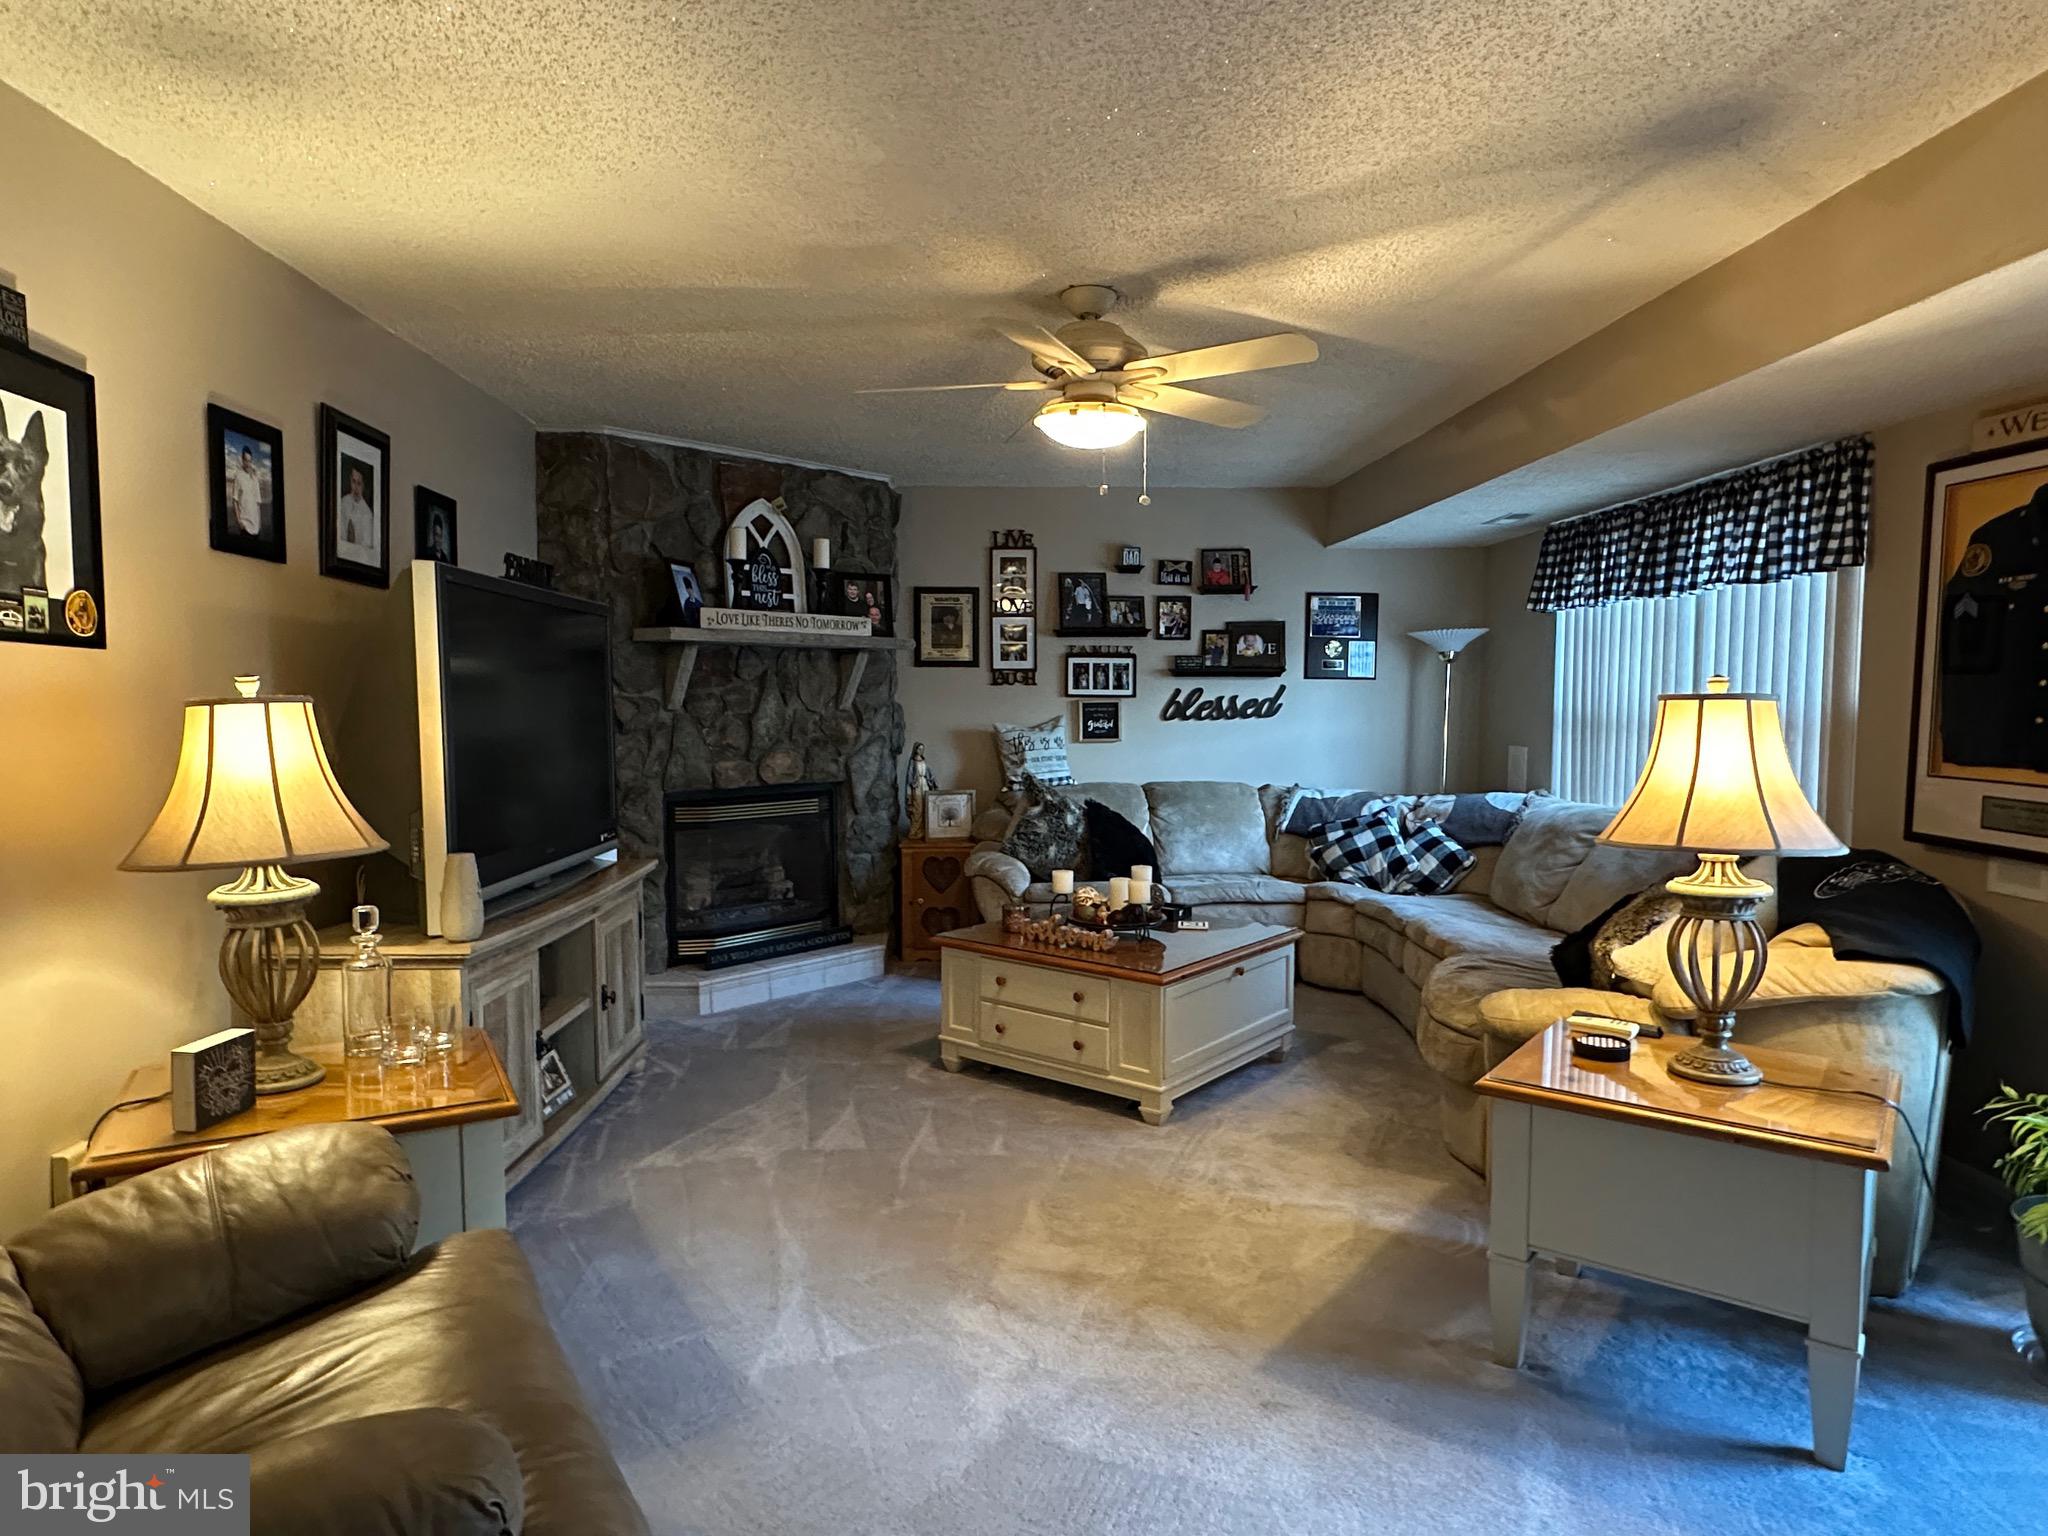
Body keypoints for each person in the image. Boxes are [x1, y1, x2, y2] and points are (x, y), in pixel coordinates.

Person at [337, 464, 376, 563]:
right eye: (353, 482)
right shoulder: (343, 502)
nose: (355, 487)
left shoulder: (367, 514)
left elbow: (367, 547)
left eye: (359, 483)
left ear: (363, 486)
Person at [228, 446, 263, 537]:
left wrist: (259, 524)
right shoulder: (238, 476)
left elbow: (258, 503)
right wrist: (239, 521)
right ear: (242, 460)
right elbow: (235, 500)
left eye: (250, 461)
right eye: (246, 460)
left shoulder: (255, 479)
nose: (248, 463)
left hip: (256, 528)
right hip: (245, 526)